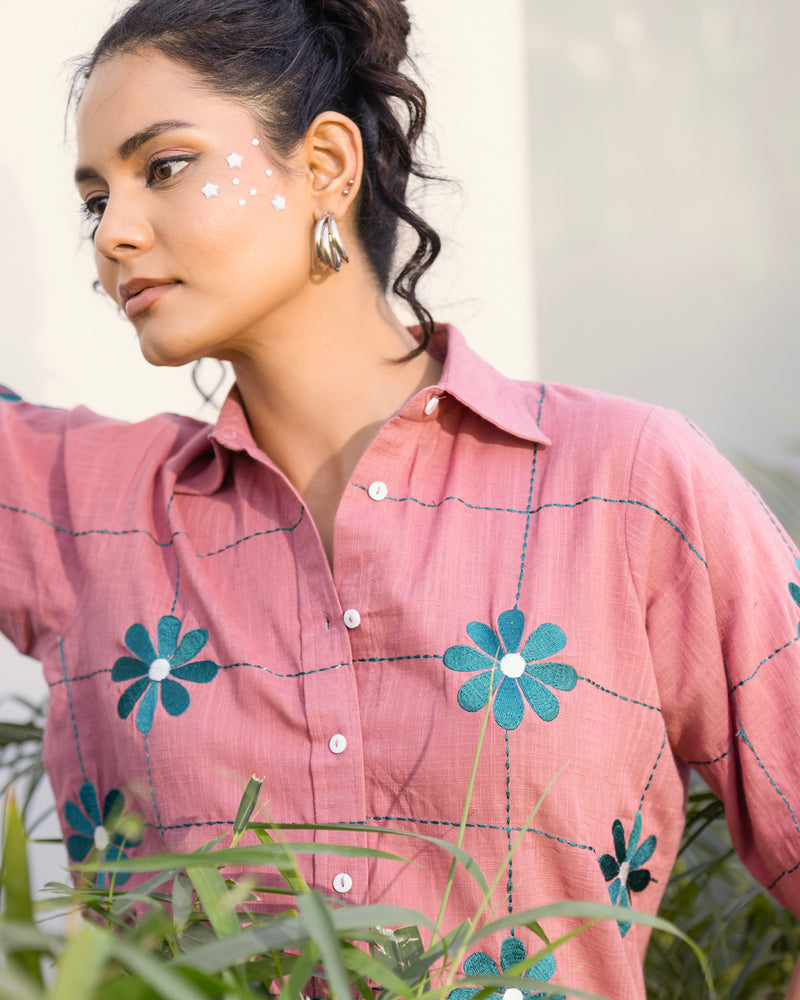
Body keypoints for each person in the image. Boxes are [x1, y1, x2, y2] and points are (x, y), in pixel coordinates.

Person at [1, 1, 799, 997]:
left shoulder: (627, 486)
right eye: (92, 200)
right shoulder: (80, 508)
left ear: (327, 165)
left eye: (163, 166)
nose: (114, 234)